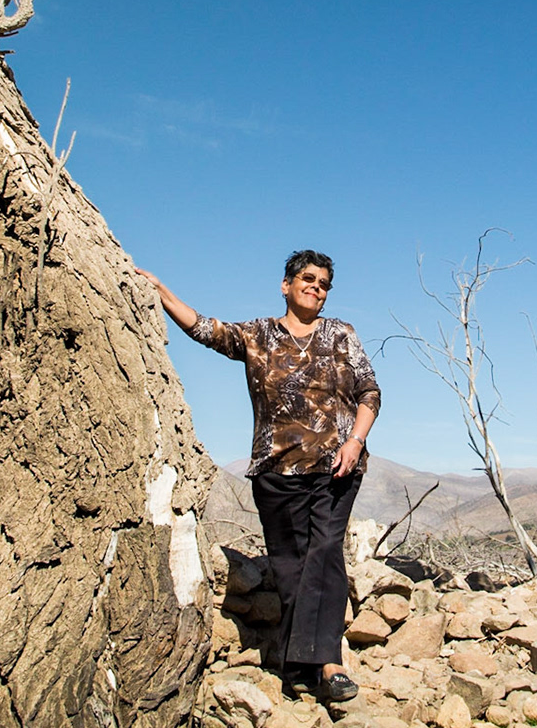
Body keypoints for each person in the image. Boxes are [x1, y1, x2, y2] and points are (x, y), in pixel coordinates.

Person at [137, 250, 380, 703]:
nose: (316, 288)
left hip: (336, 466)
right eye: (308, 279)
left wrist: (355, 441)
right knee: (290, 564)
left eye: (324, 284)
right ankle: (298, 667)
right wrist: (160, 290)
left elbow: (369, 392)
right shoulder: (258, 335)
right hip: (275, 469)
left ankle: (330, 664)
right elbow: (206, 329)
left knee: (325, 553)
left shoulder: (341, 334)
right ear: (286, 285)